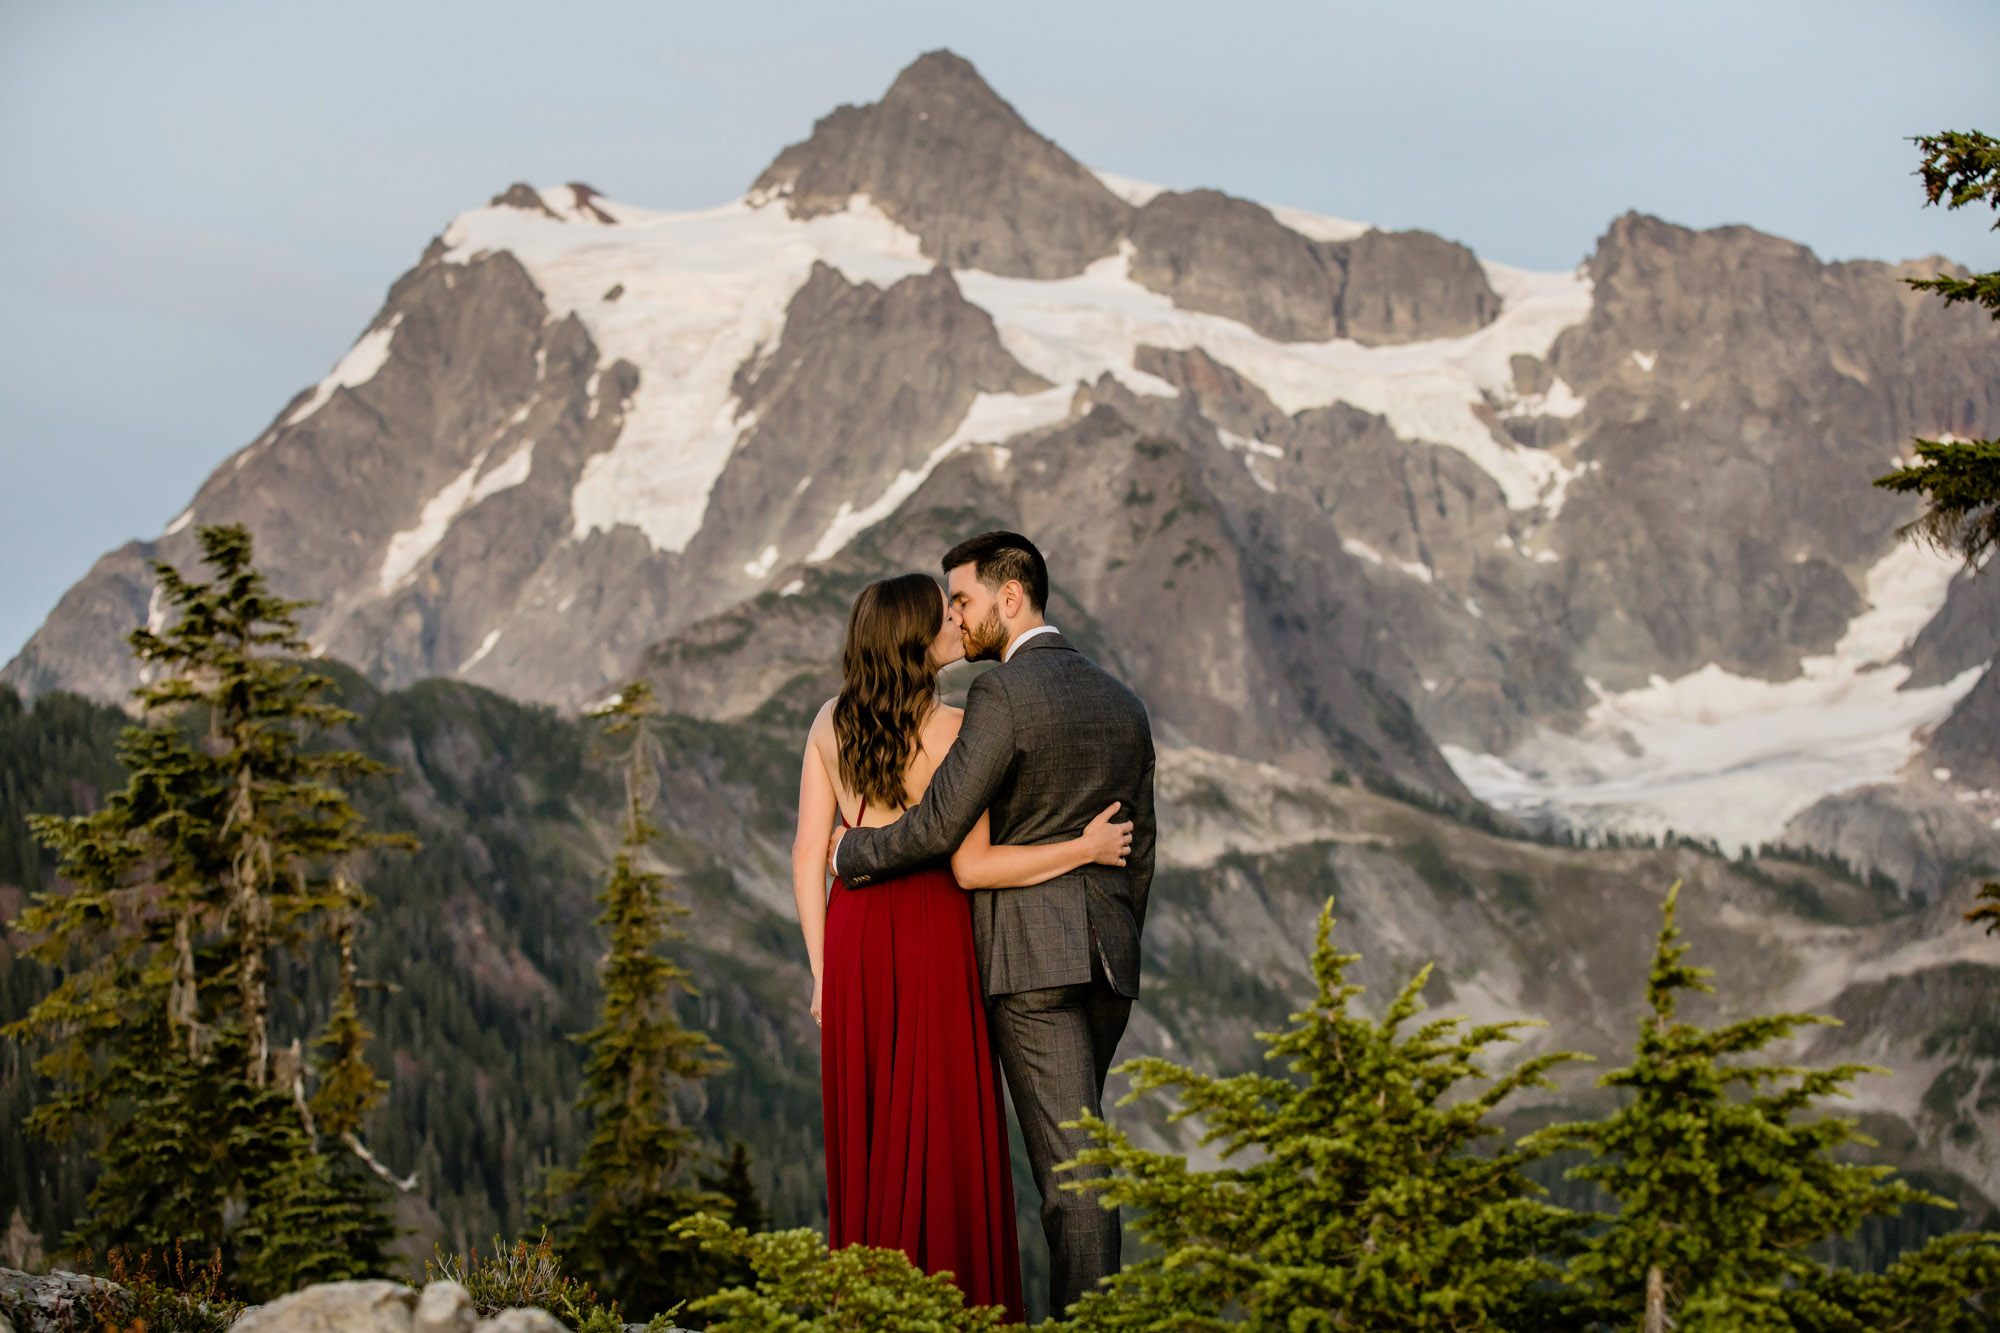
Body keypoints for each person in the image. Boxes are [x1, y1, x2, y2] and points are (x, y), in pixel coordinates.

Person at [791, 569, 1135, 1323]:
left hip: (851, 937)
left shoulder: (827, 720)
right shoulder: (955, 729)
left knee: (872, 1132)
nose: (956, 621)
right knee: (939, 1131)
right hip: (934, 939)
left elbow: (806, 853)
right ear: (916, 640)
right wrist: (1082, 846)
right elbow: (972, 865)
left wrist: (821, 973)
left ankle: (872, 1310)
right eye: (943, 615)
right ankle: (951, 1309)